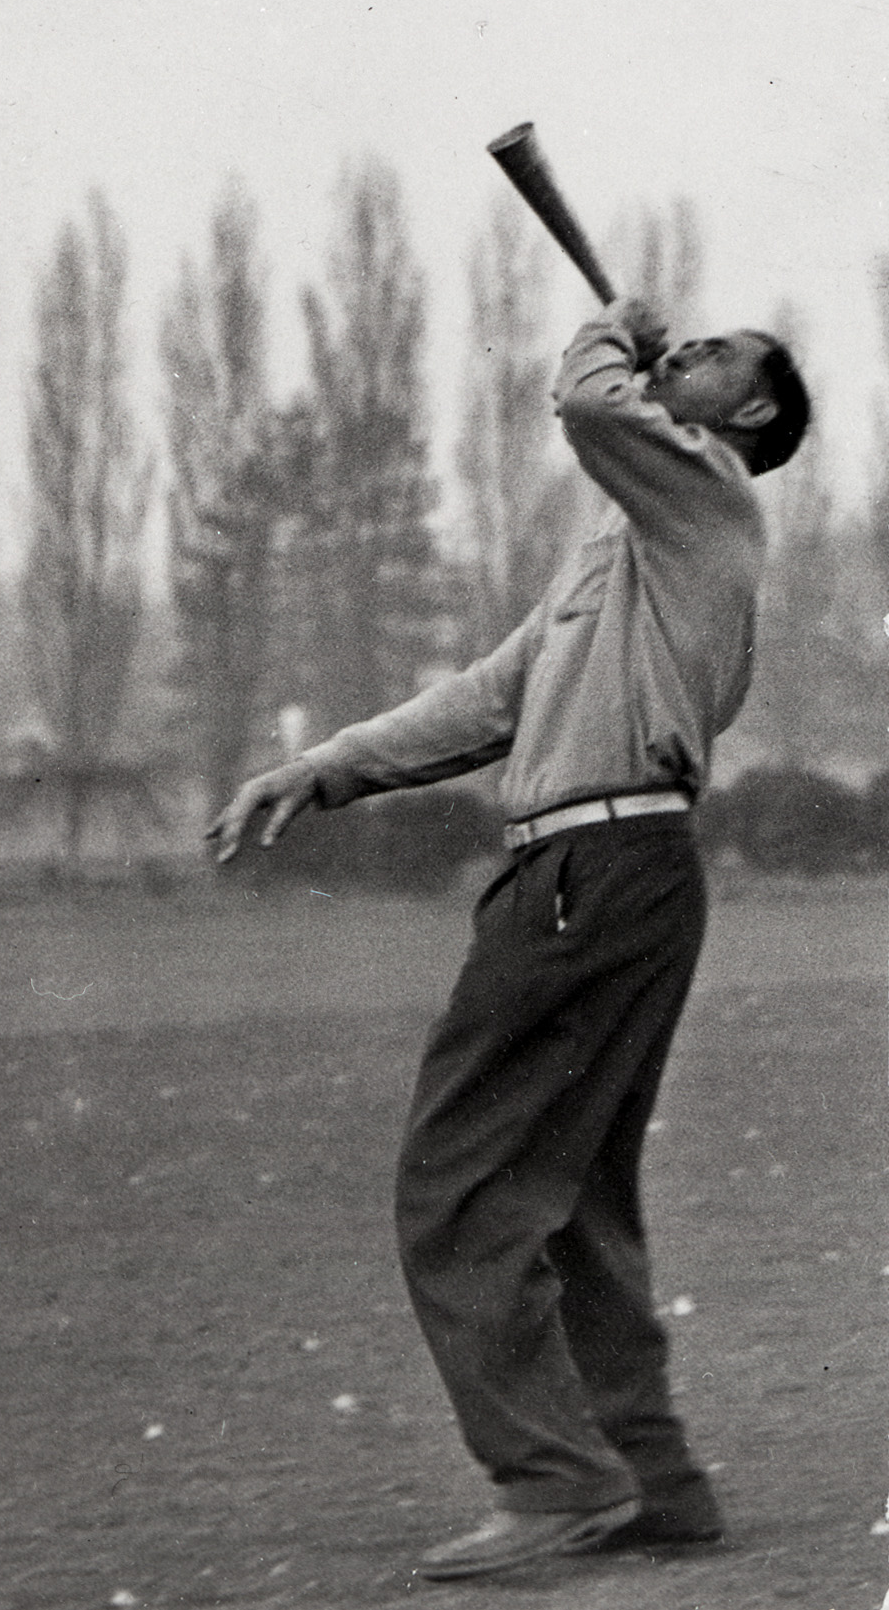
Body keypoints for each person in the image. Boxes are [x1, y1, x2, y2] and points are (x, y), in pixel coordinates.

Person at [208, 295, 811, 1584]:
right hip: (604, 878)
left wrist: (613, 328)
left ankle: (555, 1480)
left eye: (710, 356)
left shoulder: (709, 497)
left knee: (457, 1184)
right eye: (680, 342)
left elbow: (594, 401)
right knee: (576, 1196)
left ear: (747, 417)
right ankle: (654, 1482)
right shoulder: (630, 552)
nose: (681, 357)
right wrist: (324, 769)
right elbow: (489, 700)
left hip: (594, 877)